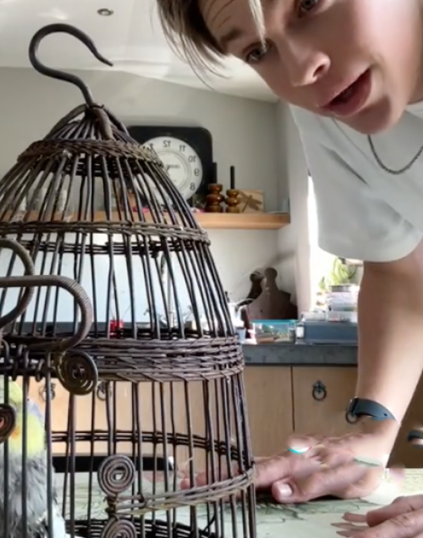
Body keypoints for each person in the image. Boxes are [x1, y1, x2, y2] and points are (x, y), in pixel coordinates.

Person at [154, 0, 423, 535]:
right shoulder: (331, 110)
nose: (300, 71)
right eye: (258, 50)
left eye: (309, 3)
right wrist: (373, 436)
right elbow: (399, 268)